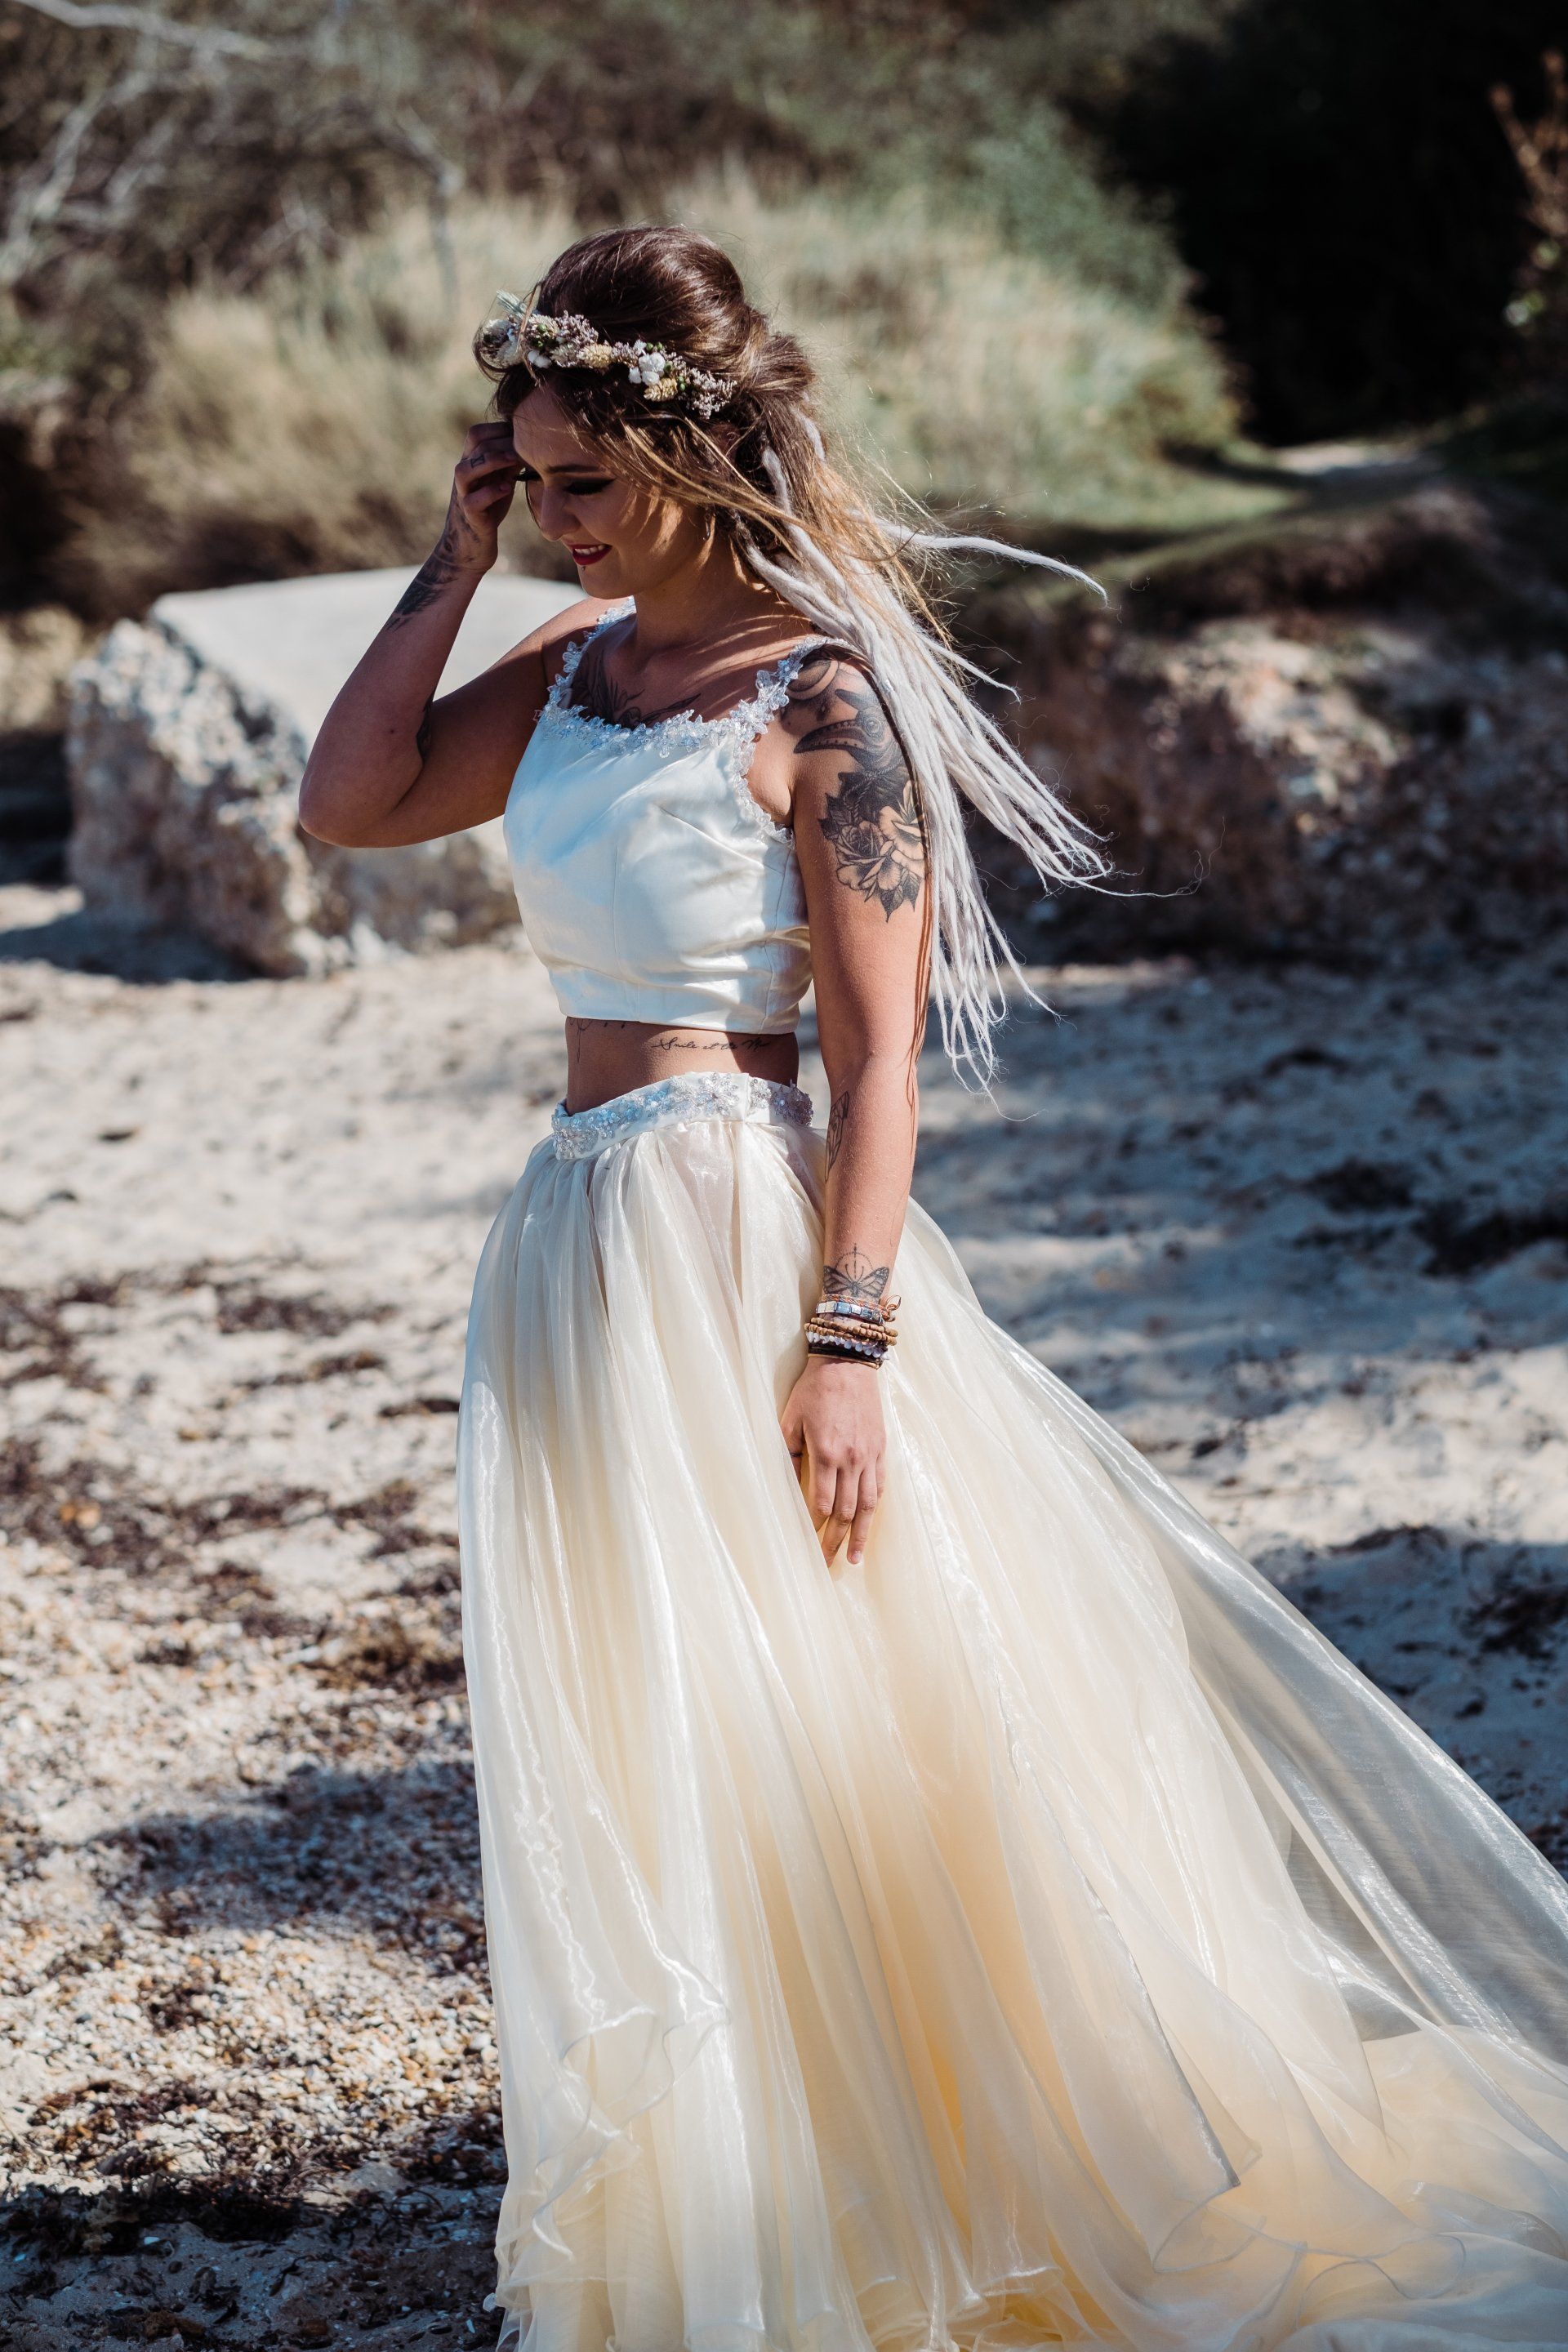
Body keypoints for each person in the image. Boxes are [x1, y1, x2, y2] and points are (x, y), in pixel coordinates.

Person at [299, 227, 1568, 2352]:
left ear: (692, 457)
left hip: (733, 1223)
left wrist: (849, 1339)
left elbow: (879, 1061)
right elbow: (348, 804)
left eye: (584, 482)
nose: (556, 516)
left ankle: (918, 2193)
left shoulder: (818, 700)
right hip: (572, 1240)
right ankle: (742, 2190)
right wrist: (453, 563)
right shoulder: (572, 668)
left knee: (822, 1712)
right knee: (651, 1716)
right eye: (529, 476)